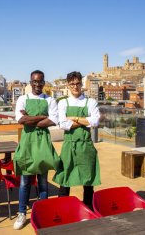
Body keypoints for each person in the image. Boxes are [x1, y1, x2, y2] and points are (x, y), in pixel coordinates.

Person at [12, 70, 60, 230]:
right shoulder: (22, 98)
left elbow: (53, 120)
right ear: (30, 82)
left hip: (42, 143)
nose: (38, 84)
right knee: (25, 181)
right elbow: (21, 119)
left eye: (40, 81)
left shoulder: (50, 100)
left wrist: (31, 118)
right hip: (27, 143)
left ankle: (43, 212)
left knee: (43, 181)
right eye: (35, 81)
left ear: (44, 82)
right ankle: (21, 213)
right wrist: (42, 116)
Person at [53, 71, 101, 209]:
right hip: (69, 146)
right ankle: (62, 209)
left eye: (78, 83)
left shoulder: (90, 101)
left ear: (81, 84)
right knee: (65, 179)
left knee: (88, 181)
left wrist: (74, 118)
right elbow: (62, 124)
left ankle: (88, 209)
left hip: (86, 146)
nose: (75, 86)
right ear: (68, 85)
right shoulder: (63, 102)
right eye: (72, 84)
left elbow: (95, 121)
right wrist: (85, 121)